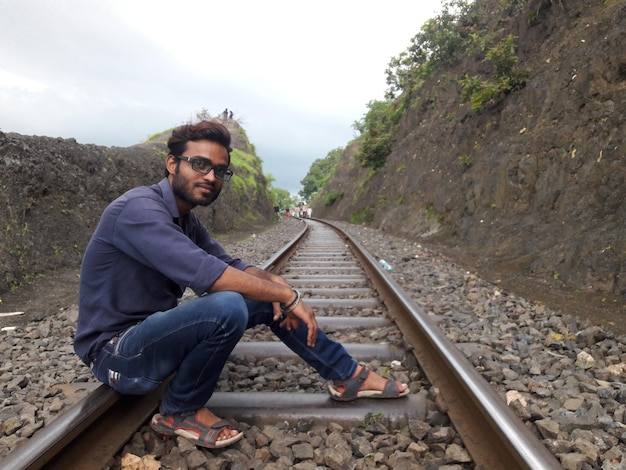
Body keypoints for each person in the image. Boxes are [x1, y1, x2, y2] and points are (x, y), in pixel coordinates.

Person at [73, 120, 408, 450]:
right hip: (115, 352)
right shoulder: (138, 209)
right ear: (172, 164)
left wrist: (276, 283)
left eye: (219, 170)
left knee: (261, 296)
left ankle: (347, 374)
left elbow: (231, 265)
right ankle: (180, 411)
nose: (210, 176)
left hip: (150, 337)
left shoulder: (186, 219)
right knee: (229, 304)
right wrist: (287, 295)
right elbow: (210, 275)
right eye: (200, 164)